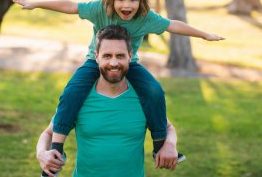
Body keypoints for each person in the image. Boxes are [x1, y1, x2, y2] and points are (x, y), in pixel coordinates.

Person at [13, 0, 224, 168]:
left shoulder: (146, 18)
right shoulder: (100, 10)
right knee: (71, 92)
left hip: (129, 64)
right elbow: (70, 6)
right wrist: (35, 3)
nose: (127, 4)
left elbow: (173, 25)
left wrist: (204, 35)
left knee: (154, 91)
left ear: (141, 2)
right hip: (94, 62)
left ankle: (159, 145)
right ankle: (57, 148)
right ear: (111, 0)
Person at [36, 25, 183, 176]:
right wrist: (42, 153)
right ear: (96, 56)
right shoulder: (78, 97)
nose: (114, 63)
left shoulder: (144, 97)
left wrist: (170, 144)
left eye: (120, 56)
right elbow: (48, 133)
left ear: (130, 56)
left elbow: (168, 128)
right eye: (107, 56)